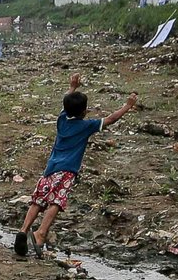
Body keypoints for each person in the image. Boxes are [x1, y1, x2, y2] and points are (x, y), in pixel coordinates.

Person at [14, 73, 138, 258]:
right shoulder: (86, 126)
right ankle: (40, 233)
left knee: (38, 200)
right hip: (66, 171)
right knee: (56, 201)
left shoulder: (62, 120)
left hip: (50, 168)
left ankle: (24, 230)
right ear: (83, 111)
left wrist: (72, 86)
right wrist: (127, 106)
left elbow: (66, 102)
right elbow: (111, 119)